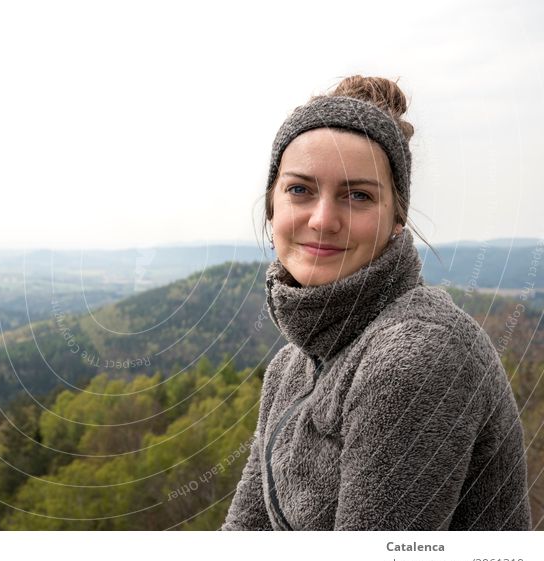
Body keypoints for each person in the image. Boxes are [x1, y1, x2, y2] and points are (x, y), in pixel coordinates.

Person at [221, 75, 531, 530]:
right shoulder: (291, 367)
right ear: (272, 207)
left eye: (359, 195)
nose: (323, 220)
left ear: (396, 220)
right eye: (300, 190)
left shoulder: (419, 355)